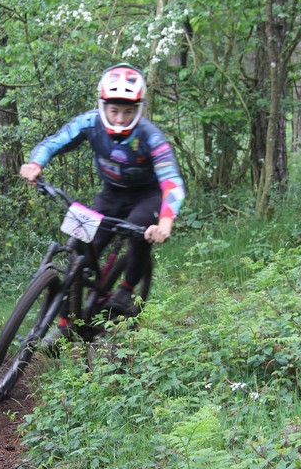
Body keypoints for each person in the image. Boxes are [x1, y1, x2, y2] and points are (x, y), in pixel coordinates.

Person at [19, 63, 185, 333]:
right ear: (103, 106)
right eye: (114, 110)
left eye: (128, 112)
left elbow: (172, 181)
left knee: (139, 229)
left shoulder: (150, 137)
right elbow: (56, 141)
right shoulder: (90, 122)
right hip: (111, 193)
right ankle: (64, 323)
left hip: (148, 195)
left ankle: (127, 288)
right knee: (78, 243)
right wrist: (35, 164)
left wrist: (165, 222)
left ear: (139, 110)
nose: (119, 119)